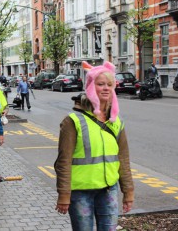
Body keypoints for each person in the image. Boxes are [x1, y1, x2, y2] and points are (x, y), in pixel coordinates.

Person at [54, 61, 134, 230]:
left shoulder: (116, 121)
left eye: (109, 85)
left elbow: (123, 159)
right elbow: (64, 161)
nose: (106, 88)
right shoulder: (73, 121)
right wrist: (64, 194)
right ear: (90, 86)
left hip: (108, 189)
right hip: (80, 191)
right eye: (100, 84)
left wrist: (128, 191)